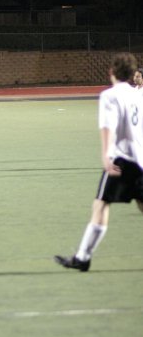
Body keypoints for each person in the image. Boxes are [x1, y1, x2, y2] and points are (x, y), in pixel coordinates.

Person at [55, 52, 143, 272]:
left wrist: (106, 155)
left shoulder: (110, 96)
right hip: (141, 159)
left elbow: (108, 127)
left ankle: (83, 258)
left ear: (111, 72)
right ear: (133, 74)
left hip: (122, 160)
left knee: (101, 204)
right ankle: (82, 257)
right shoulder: (139, 95)